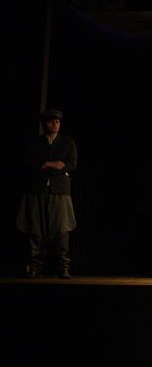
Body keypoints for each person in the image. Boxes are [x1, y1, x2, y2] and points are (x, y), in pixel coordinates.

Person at [16, 109, 78, 279]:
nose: (55, 125)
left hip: (59, 191)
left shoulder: (67, 142)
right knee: (36, 229)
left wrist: (51, 166)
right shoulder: (35, 143)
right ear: (44, 124)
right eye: (51, 122)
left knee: (61, 230)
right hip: (37, 190)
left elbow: (71, 164)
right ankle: (35, 267)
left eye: (57, 122)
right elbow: (28, 163)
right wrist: (49, 164)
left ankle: (64, 267)